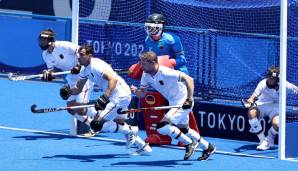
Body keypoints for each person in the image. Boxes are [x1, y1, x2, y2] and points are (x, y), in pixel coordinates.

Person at [60, 44, 152, 155]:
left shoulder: (96, 66)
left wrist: (105, 97)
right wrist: (69, 92)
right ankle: (143, 147)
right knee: (119, 122)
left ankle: (131, 130)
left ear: (90, 55)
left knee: (97, 124)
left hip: (120, 95)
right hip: (118, 94)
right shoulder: (84, 70)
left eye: (82, 55)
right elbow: (78, 89)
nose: (79, 57)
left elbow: (112, 79)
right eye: (78, 55)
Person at [131, 51, 215, 160]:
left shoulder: (165, 72)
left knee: (162, 127)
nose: (141, 66)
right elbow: (142, 94)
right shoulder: (145, 76)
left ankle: (189, 143)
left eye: (144, 64)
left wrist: (189, 99)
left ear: (152, 63)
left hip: (183, 101)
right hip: (172, 102)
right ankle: (208, 147)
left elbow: (189, 80)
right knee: (184, 129)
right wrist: (136, 91)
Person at [38, 28, 96, 136]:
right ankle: (94, 124)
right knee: (70, 109)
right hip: (71, 77)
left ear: (50, 40)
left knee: (81, 109)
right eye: (40, 39)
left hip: (83, 74)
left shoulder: (63, 45)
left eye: (44, 40)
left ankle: (105, 115)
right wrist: (48, 74)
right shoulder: (45, 55)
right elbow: (52, 71)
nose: (41, 42)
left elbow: (82, 52)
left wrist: (78, 66)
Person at [244, 66, 298, 151]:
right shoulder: (263, 83)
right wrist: (249, 101)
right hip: (262, 105)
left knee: (277, 124)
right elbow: (253, 97)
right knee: (251, 113)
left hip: (276, 107)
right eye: (268, 77)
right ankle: (263, 141)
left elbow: (296, 90)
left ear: (276, 79)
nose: (269, 80)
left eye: (272, 78)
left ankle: (270, 138)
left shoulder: (285, 85)